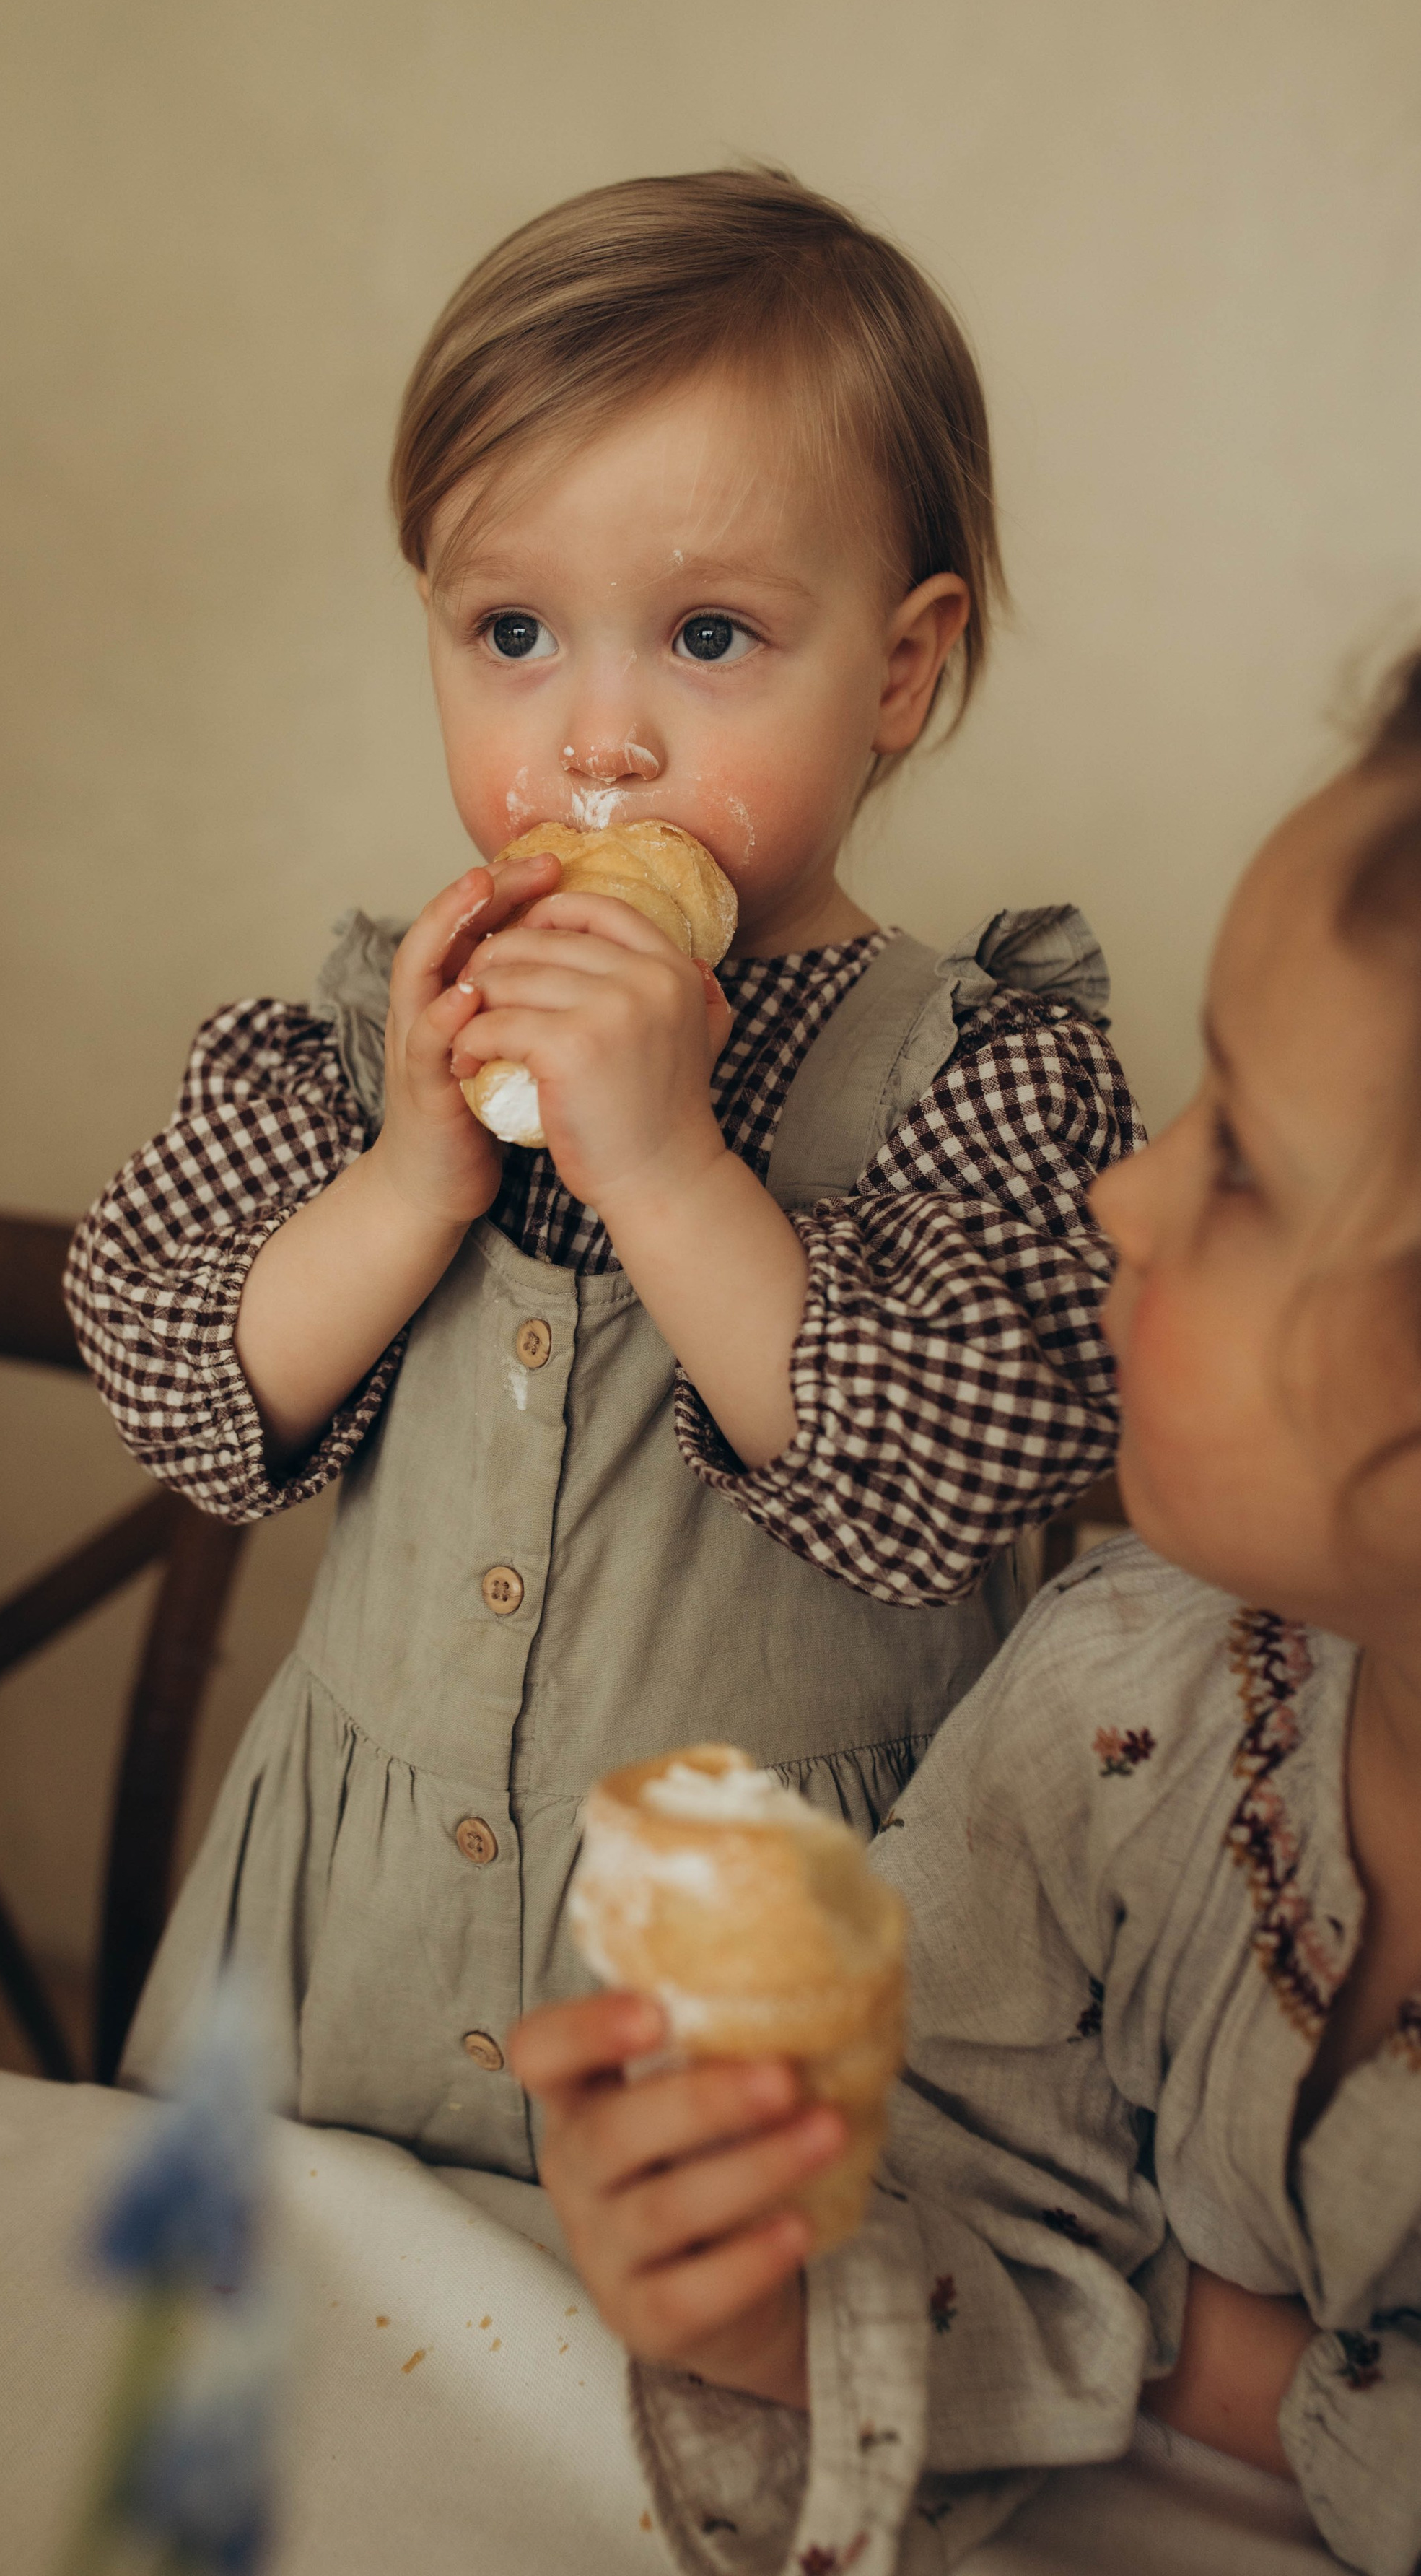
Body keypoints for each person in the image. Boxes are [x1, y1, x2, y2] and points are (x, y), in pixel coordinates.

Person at [67, 168, 1137, 2167]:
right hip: (344, 1957)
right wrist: (406, 1180)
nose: (598, 741)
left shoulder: (980, 1073)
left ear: (897, 669)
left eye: (708, 634)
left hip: (749, 1992)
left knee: (689, 2353)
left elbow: (952, 1478)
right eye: (513, 633)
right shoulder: (374, 1030)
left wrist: (666, 1165)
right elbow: (181, 1390)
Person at [509, 658, 1421, 2576]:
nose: (1120, 1198)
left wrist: (1226, 2366)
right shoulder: (1115, 1696)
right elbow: (953, 2206)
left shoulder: (974, 1074)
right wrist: (768, 2290)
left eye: (1238, 1162)